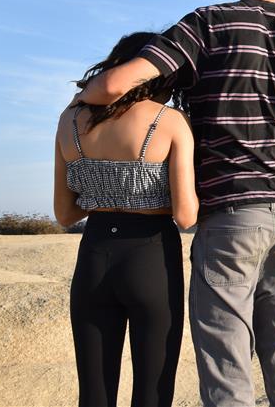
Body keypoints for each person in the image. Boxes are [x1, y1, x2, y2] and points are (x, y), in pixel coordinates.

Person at [77, 0, 275, 407]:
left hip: (230, 220)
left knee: (227, 374)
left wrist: (80, 102)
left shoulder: (206, 24)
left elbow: (115, 85)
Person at [53, 31, 199, 407]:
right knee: (153, 392)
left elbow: (65, 213)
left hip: (94, 255)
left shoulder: (69, 120)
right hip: (151, 258)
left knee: (94, 394)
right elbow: (185, 215)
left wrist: (105, 191)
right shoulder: (169, 121)